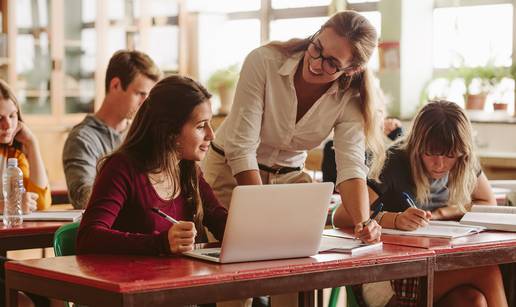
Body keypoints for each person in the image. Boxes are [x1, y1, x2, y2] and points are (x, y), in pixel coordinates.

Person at [202, 10, 385, 245]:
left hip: (287, 180)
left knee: (294, 262)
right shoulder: (264, 61)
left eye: (332, 63)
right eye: (317, 48)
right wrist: (258, 211)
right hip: (231, 172)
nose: (316, 63)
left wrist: (364, 224)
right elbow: (241, 148)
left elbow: (351, 167)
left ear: (352, 70)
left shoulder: (351, 98)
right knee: (234, 255)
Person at [334, 100, 507, 307]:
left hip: (436, 265)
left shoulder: (463, 160)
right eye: (431, 153)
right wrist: (395, 219)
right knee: (486, 270)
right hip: (386, 277)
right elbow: (341, 215)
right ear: (417, 146)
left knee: (472, 301)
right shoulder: (394, 161)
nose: (440, 164)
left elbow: (486, 200)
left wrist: (442, 213)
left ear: (462, 152)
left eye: (450, 155)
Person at [77, 75, 227, 258]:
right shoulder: (121, 168)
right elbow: (88, 238)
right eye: (201, 126)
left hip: (179, 280)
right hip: (133, 282)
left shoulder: (189, 171)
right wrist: (161, 243)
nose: (212, 135)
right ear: (170, 131)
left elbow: (221, 222)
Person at [63, 50, 161, 209]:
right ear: (115, 85)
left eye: (148, 97)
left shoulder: (143, 134)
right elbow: (83, 198)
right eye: (140, 94)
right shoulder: (82, 139)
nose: (145, 104)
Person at [0, 79, 51, 307]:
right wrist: (5, 206)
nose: (7, 125)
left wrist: (33, 143)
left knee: (53, 294)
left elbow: (41, 202)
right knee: (22, 302)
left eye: (12, 116)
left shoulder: (13, 155)